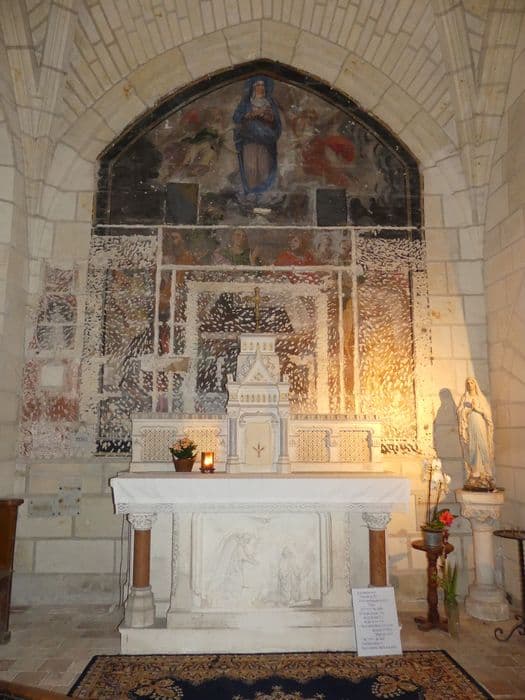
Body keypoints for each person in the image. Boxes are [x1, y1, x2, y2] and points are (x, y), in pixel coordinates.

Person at [233, 76, 281, 195]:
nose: (261, 88)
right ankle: (251, 193)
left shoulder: (270, 103)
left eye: (263, 85)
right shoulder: (246, 103)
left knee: (264, 168)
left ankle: (263, 194)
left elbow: (276, 122)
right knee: (251, 168)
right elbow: (237, 118)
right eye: (258, 85)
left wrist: (268, 117)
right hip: (249, 140)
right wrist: (253, 114)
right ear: (253, 88)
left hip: (266, 141)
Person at [457, 377, 495, 490]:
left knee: (483, 445)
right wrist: (468, 409)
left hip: (480, 424)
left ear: (475, 384)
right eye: (468, 383)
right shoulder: (465, 398)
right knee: (472, 446)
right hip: (471, 425)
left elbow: (487, 413)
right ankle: (475, 472)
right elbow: (460, 412)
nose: (470, 384)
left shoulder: (480, 398)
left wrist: (477, 409)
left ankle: (486, 472)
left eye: (472, 382)